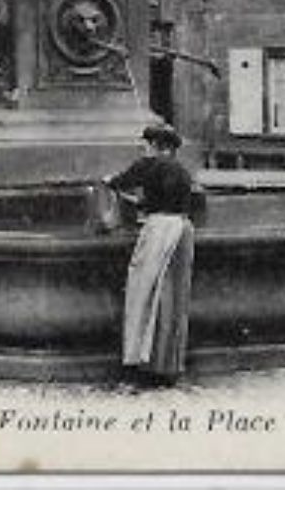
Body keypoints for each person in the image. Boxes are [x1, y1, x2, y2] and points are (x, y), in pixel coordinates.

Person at [105, 123, 195, 385]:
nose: (144, 149)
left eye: (147, 144)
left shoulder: (150, 165)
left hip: (159, 233)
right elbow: (170, 199)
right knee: (172, 299)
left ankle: (140, 362)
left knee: (143, 294)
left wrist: (108, 182)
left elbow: (120, 181)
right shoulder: (182, 171)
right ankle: (168, 365)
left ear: (156, 146)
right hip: (182, 231)